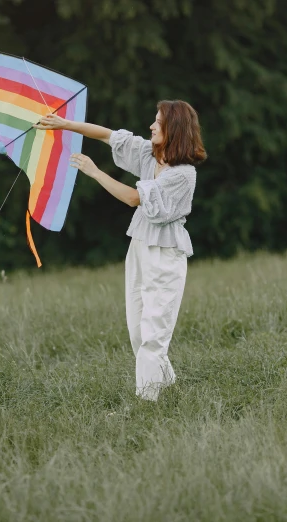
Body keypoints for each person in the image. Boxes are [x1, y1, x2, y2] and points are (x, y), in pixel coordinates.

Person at [35, 100, 207, 401]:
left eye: (158, 121)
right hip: (139, 245)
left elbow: (132, 198)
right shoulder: (149, 154)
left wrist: (94, 172)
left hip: (165, 252)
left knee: (154, 333)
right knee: (138, 331)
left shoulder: (183, 174)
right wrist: (64, 124)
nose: (152, 126)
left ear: (173, 129)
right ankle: (170, 391)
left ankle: (147, 403)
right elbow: (108, 135)